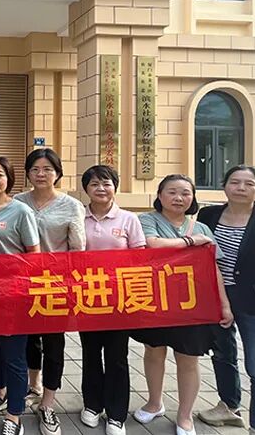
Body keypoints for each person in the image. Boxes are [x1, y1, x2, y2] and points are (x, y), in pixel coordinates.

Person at [131, 174, 233, 435]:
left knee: (188, 358)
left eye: (185, 193)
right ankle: (155, 403)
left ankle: (185, 415)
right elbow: (153, 245)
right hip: (155, 301)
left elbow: (214, 269)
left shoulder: (203, 229)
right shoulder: (147, 220)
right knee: (154, 352)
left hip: (192, 305)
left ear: (193, 198)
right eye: (172, 192)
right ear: (160, 195)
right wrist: (190, 243)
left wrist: (224, 305)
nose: (179, 198)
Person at [197, 165, 255, 435]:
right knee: (222, 355)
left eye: (249, 184)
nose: (241, 188)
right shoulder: (209, 215)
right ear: (224, 186)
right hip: (216, 298)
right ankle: (229, 407)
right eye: (235, 182)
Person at [14, 148, 85, 435]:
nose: (41, 174)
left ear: (57, 173)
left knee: (54, 344)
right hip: (23, 286)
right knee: (29, 341)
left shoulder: (71, 206)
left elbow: (78, 249)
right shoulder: (17, 201)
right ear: (28, 173)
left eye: (47, 169)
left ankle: (48, 403)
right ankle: (34, 386)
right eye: (35, 169)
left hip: (57, 286)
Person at [78, 165, 146, 435]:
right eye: (94, 184)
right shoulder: (78, 217)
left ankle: (117, 414)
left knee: (117, 356)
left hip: (120, 300)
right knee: (90, 353)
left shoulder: (129, 219)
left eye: (106, 183)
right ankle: (92, 405)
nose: (101, 189)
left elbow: (140, 258)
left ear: (114, 187)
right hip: (87, 298)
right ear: (86, 189)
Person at [0, 156, 40, 435]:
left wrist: (18, 282)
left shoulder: (21, 211)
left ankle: (15, 414)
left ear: (9, 178)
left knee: (13, 354)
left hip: (14, 294)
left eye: (0, 174)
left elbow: (34, 255)